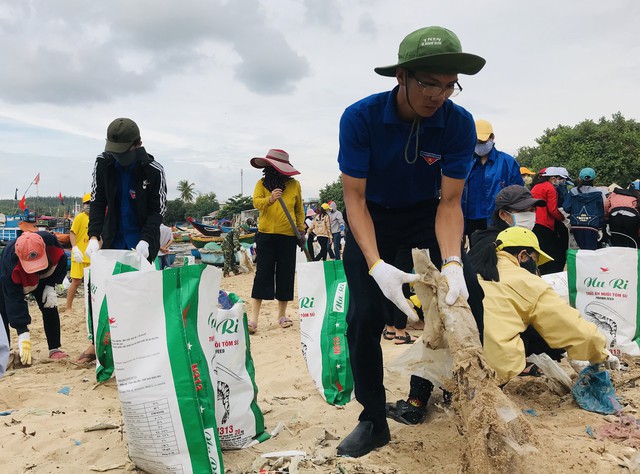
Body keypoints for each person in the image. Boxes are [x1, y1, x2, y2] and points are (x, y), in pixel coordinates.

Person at [336, 25, 486, 458]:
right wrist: (376, 263)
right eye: (428, 83)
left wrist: (454, 262)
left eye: (448, 87)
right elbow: (355, 198)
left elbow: (450, 201)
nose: (437, 96)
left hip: (426, 214)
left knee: (468, 296)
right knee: (364, 315)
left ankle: (446, 392)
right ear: (401, 76)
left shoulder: (457, 124)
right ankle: (372, 419)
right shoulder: (360, 118)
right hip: (373, 217)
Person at [473, 227, 619, 383]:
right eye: (535, 261)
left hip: (463, 355)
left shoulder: (476, 269)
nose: (535, 269)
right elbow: (567, 323)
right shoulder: (526, 282)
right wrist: (600, 352)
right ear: (523, 255)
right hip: (496, 367)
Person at [77, 117, 167, 365]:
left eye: (122, 152)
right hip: (111, 238)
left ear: (136, 145)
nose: (117, 156)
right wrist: (94, 236)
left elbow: (156, 211)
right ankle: (97, 343)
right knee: (100, 291)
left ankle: (139, 345)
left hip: (140, 243)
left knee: (139, 295)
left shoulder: (153, 169)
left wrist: (147, 241)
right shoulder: (104, 162)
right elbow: (98, 201)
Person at [249, 149, 305, 334]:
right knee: (262, 274)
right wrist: (270, 198)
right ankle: (253, 320)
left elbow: (298, 210)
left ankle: (282, 315)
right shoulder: (262, 184)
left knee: (285, 274)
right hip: (266, 235)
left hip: (288, 237)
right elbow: (256, 203)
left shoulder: (294, 185)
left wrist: (301, 231)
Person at [0, 232, 69, 365]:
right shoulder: (9, 262)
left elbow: (61, 263)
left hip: (45, 276)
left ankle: (54, 348)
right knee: (3, 311)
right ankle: (4, 352)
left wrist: (51, 285)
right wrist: (23, 333)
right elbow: (14, 301)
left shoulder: (51, 242)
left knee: (49, 306)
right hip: (17, 278)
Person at [462, 119, 524, 236]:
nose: (479, 144)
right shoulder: (465, 162)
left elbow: (518, 195)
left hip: (497, 219)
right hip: (469, 220)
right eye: (476, 141)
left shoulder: (507, 162)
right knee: (475, 253)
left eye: (482, 141)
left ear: (492, 138)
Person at [530, 167, 567, 274]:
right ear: (552, 178)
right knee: (549, 253)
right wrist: (562, 218)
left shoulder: (535, 187)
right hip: (545, 224)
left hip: (534, 222)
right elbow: (552, 209)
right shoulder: (550, 188)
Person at [562, 167, 606, 250]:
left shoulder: (573, 192)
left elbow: (566, 207)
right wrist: (600, 228)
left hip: (576, 225)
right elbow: (601, 213)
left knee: (580, 252)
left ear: (579, 179)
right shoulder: (597, 193)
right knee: (590, 252)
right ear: (594, 180)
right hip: (592, 226)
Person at [66, 193, 92, 312]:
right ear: (83, 205)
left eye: (91, 203)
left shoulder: (97, 218)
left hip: (90, 256)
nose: (89, 206)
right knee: (76, 281)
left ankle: (89, 308)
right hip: (79, 256)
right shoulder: (80, 217)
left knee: (91, 284)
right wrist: (75, 248)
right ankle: (68, 307)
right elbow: (73, 233)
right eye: (87, 203)